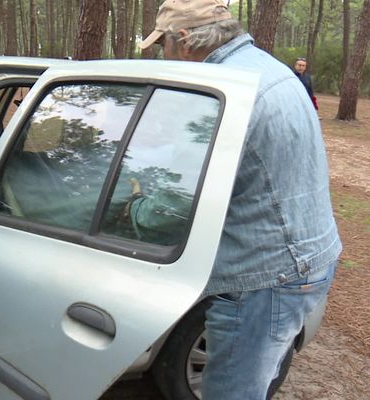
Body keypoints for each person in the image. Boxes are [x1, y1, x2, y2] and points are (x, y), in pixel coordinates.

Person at [139, 1, 341, 398]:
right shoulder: (265, 69)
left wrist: (136, 210)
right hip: (305, 259)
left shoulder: (224, 93)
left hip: (264, 278)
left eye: (162, 43)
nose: (163, 52)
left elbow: (175, 202)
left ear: (183, 41)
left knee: (231, 392)